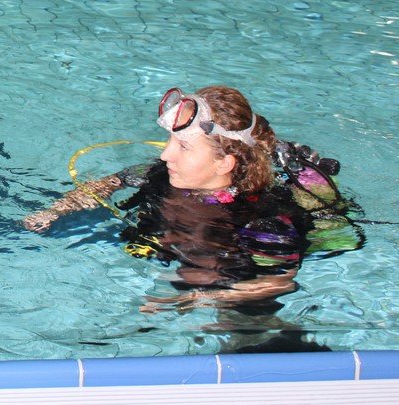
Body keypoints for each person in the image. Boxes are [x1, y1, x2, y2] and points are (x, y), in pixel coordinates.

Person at [24, 86, 355, 310]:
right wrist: (55, 210)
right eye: (169, 140)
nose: (165, 154)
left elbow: (278, 282)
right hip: (190, 241)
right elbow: (111, 182)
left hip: (235, 261)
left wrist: (203, 298)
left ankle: (305, 169)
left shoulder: (265, 223)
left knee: (235, 315)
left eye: (182, 146)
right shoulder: (161, 174)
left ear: (224, 162)